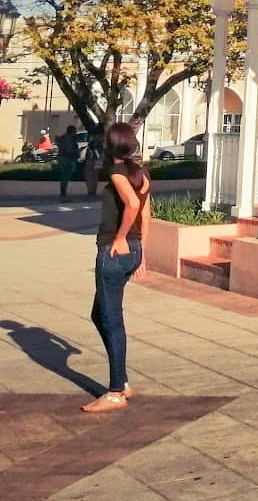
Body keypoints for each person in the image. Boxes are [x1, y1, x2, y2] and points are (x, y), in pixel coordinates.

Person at [83, 122, 150, 413]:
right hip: (131, 251)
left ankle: (115, 391)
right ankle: (121, 381)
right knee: (100, 314)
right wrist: (140, 253)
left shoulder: (117, 171)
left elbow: (133, 206)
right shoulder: (141, 173)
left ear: (109, 146)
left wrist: (121, 238)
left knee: (111, 319)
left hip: (114, 250)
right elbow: (147, 215)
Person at [55, 125, 81, 200]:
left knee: (64, 175)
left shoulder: (64, 138)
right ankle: (63, 191)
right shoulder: (69, 139)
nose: (75, 133)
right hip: (67, 159)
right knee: (65, 176)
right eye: (74, 131)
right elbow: (69, 150)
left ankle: (63, 191)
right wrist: (76, 153)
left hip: (63, 158)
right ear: (72, 131)